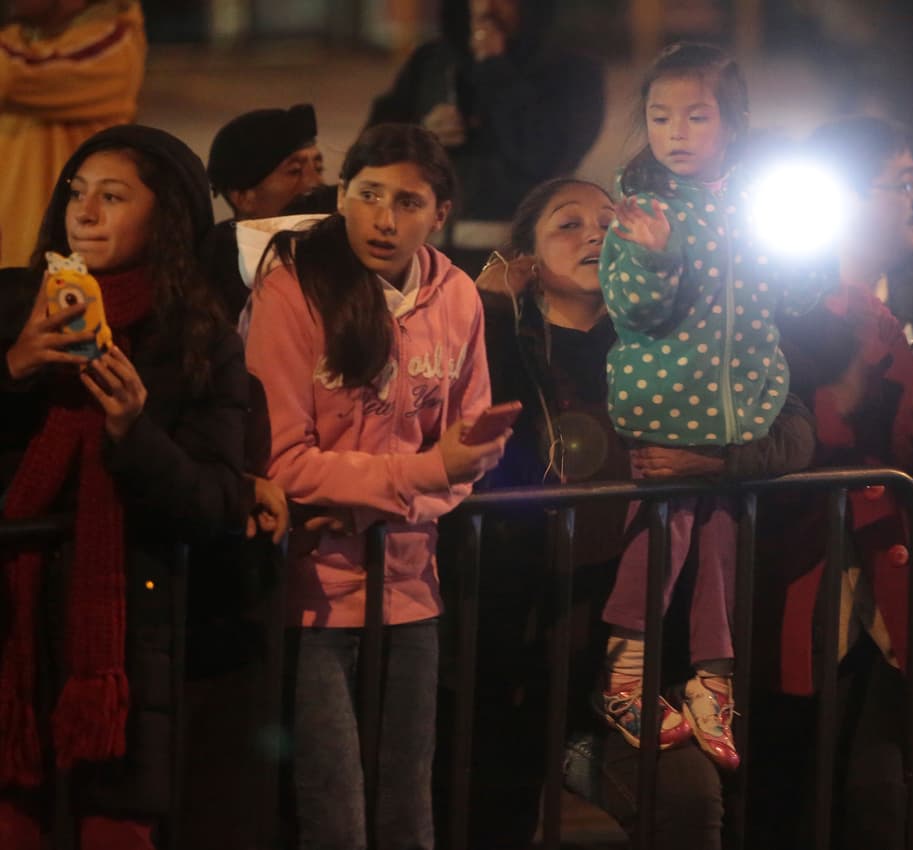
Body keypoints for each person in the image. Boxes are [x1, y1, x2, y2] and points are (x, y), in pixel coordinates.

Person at [436, 176, 816, 849]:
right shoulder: (494, 340)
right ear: (525, 258)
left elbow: (792, 426)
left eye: (610, 223)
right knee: (484, 821)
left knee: (688, 803)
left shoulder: (676, 343)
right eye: (568, 224)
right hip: (514, 655)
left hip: (629, 670)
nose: (595, 236)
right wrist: (489, 304)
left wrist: (717, 464)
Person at [243, 123, 506, 850]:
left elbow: (469, 453)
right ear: (341, 194)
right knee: (335, 817)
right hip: (312, 599)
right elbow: (284, 461)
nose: (385, 220)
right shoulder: (294, 285)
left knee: (406, 814)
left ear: (439, 214)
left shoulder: (457, 296)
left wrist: (375, 503)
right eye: (368, 196)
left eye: (409, 202)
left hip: (412, 590)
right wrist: (422, 475)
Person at [0, 125, 258, 850]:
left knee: (114, 831)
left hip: (126, 654)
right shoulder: (14, 307)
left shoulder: (198, 341)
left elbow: (215, 502)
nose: (85, 212)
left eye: (112, 197)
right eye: (77, 193)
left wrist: (133, 432)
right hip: (14, 640)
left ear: (164, 218)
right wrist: (14, 368)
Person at [595, 41, 833, 773]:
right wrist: (655, 256)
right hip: (667, 411)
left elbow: (792, 302)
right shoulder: (642, 210)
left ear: (735, 123)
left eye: (696, 116)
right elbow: (631, 310)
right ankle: (626, 676)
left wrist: (812, 257)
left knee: (722, 546)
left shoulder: (755, 207)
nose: (675, 132)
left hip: (740, 418)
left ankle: (712, 683)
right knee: (660, 540)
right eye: (661, 116)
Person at [749, 115, 913, 850]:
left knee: (879, 800)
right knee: (791, 797)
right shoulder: (786, 306)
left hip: (886, 594)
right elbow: (801, 438)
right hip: (803, 584)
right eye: (903, 183)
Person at [366, 0, 604, 274]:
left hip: (523, 264)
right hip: (429, 260)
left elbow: (545, 154)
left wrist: (494, 68)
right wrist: (422, 137)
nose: (486, 7)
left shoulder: (575, 71)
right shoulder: (431, 62)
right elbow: (372, 152)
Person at [0, 0, 146, 268]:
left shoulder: (115, 42)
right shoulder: (17, 41)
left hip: (70, 268)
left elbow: (9, 78)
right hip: (14, 260)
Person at [205, 103, 331, 324]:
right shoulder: (210, 278)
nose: (316, 183)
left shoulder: (337, 250)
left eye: (318, 169)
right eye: (294, 172)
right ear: (243, 197)